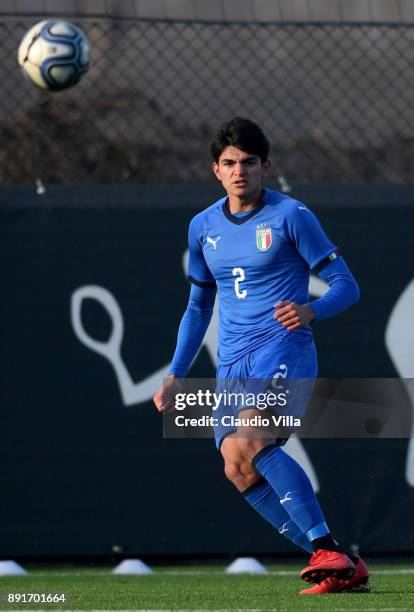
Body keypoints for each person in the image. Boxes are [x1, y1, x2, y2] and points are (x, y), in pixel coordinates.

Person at [153, 117, 369, 595]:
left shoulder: (292, 215)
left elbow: (347, 286)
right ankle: (339, 563)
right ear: (215, 170)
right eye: (229, 163)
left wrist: (311, 311)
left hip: (283, 350)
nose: (239, 171)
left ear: (265, 166)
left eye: (248, 162)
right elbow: (197, 306)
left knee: (250, 436)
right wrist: (176, 373)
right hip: (232, 363)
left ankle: (327, 547)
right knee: (236, 464)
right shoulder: (202, 226)